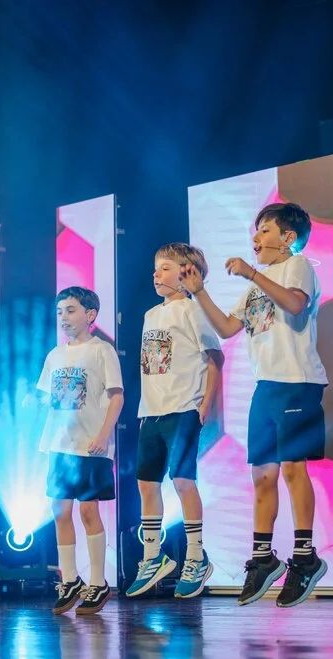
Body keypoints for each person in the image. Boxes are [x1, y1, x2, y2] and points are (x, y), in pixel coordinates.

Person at [179, 202, 328, 608]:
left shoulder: (297, 266)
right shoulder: (256, 286)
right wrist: (199, 291)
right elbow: (228, 328)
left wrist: (252, 273)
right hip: (266, 387)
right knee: (262, 474)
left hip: (297, 382)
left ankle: (305, 556)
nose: (256, 237)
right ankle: (263, 558)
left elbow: (295, 305)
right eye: (256, 230)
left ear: (288, 238)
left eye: (265, 230)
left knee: (293, 469)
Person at [126, 243, 224, 599]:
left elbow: (215, 358)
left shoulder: (193, 311)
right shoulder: (151, 315)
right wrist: (145, 411)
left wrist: (205, 405)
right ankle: (154, 556)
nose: (157, 274)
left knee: (182, 479)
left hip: (184, 407)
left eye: (165, 268)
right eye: (156, 268)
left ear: (186, 275)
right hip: (151, 411)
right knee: (146, 483)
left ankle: (196, 557)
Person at [31, 286, 124, 615]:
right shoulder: (55, 355)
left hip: (89, 446)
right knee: (60, 511)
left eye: (70, 310)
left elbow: (116, 396)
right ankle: (69, 579)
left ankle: (98, 582)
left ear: (90, 315)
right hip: (59, 444)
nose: (64, 317)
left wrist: (103, 435)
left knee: (88, 512)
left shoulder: (102, 351)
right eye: (60, 312)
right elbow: (47, 396)